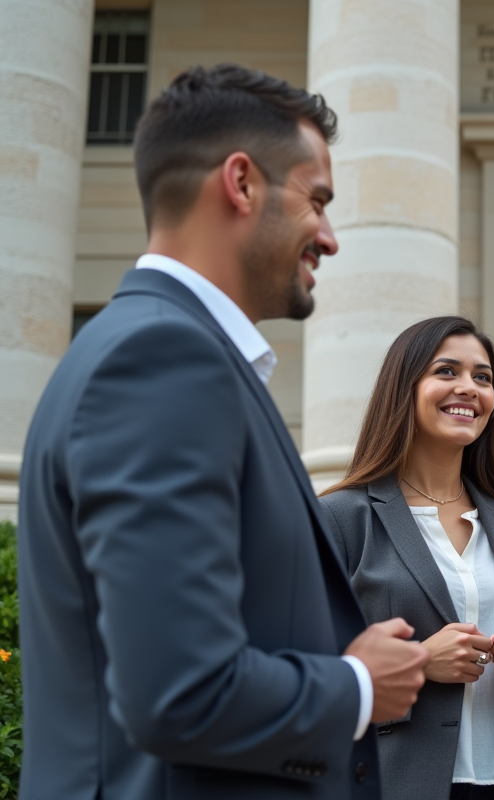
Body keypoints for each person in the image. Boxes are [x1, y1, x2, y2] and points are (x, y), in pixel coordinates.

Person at [17, 65, 430, 800]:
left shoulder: (160, 348)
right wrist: (359, 685)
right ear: (241, 183)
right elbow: (181, 690)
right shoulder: (164, 360)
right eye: (319, 201)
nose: (331, 239)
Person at [319, 315, 494, 800]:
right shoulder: (342, 518)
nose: (468, 387)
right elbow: (307, 671)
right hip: (395, 782)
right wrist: (420, 661)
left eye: (482, 377)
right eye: (447, 371)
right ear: (405, 388)